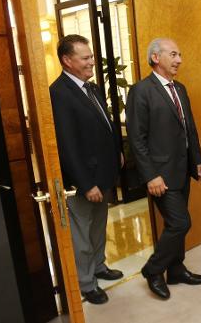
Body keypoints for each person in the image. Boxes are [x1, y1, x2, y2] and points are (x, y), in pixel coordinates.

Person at [126, 38, 201, 300]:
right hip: (160, 173)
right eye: (174, 54)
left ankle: (176, 268)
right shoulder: (141, 90)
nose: (179, 59)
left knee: (177, 222)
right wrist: (150, 175)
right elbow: (136, 138)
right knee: (180, 223)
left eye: (180, 53)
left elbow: (189, 128)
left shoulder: (180, 88)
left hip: (182, 169)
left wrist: (197, 159)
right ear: (156, 57)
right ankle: (153, 269)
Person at [50, 34, 123, 304]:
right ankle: (86, 282)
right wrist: (85, 183)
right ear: (67, 61)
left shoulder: (90, 87)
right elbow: (66, 145)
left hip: (103, 173)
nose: (92, 62)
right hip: (85, 180)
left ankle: (99, 265)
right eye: (86, 58)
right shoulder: (59, 93)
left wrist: (117, 154)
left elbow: (103, 126)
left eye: (91, 56)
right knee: (81, 233)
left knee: (98, 227)